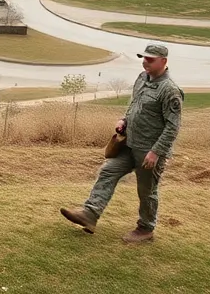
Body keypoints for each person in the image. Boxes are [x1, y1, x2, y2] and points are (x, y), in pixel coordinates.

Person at [61, 42, 183, 244]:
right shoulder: (142, 78)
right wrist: (124, 120)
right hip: (129, 144)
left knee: (146, 191)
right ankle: (90, 214)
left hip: (149, 151)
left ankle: (146, 229)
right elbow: (134, 105)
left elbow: (173, 127)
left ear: (164, 61)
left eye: (150, 59)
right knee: (108, 170)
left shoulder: (170, 91)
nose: (145, 62)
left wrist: (156, 152)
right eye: (144, 58)